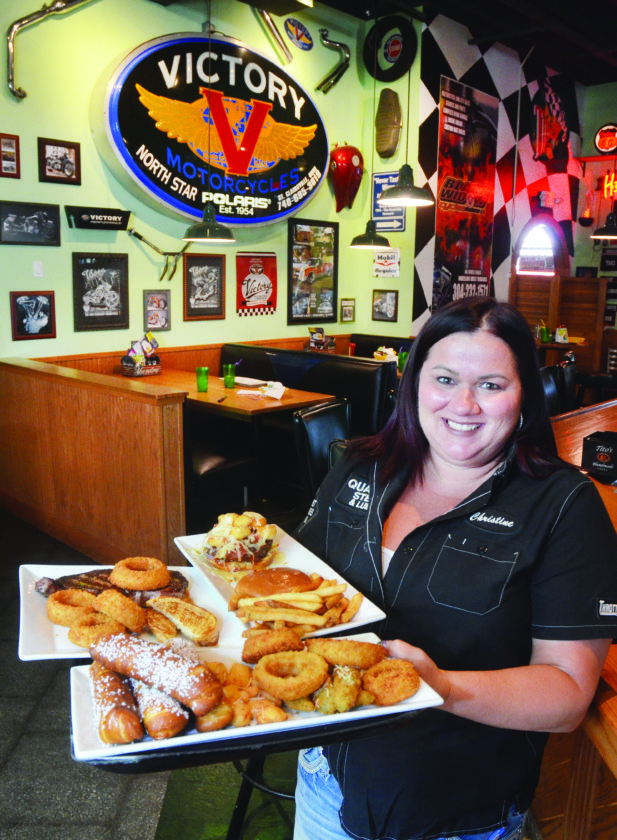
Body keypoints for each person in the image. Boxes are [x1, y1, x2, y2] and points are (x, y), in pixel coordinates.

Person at [292, 296, 617, 840]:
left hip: (457, 818)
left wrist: (438, 685)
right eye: (444, 378)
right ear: (414, 381)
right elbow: (299, 591)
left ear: (523, 397)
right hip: (325, 783)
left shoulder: (565, 507)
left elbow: (567, 694)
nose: (464, 404)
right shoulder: (360, 465)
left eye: (491, 385)